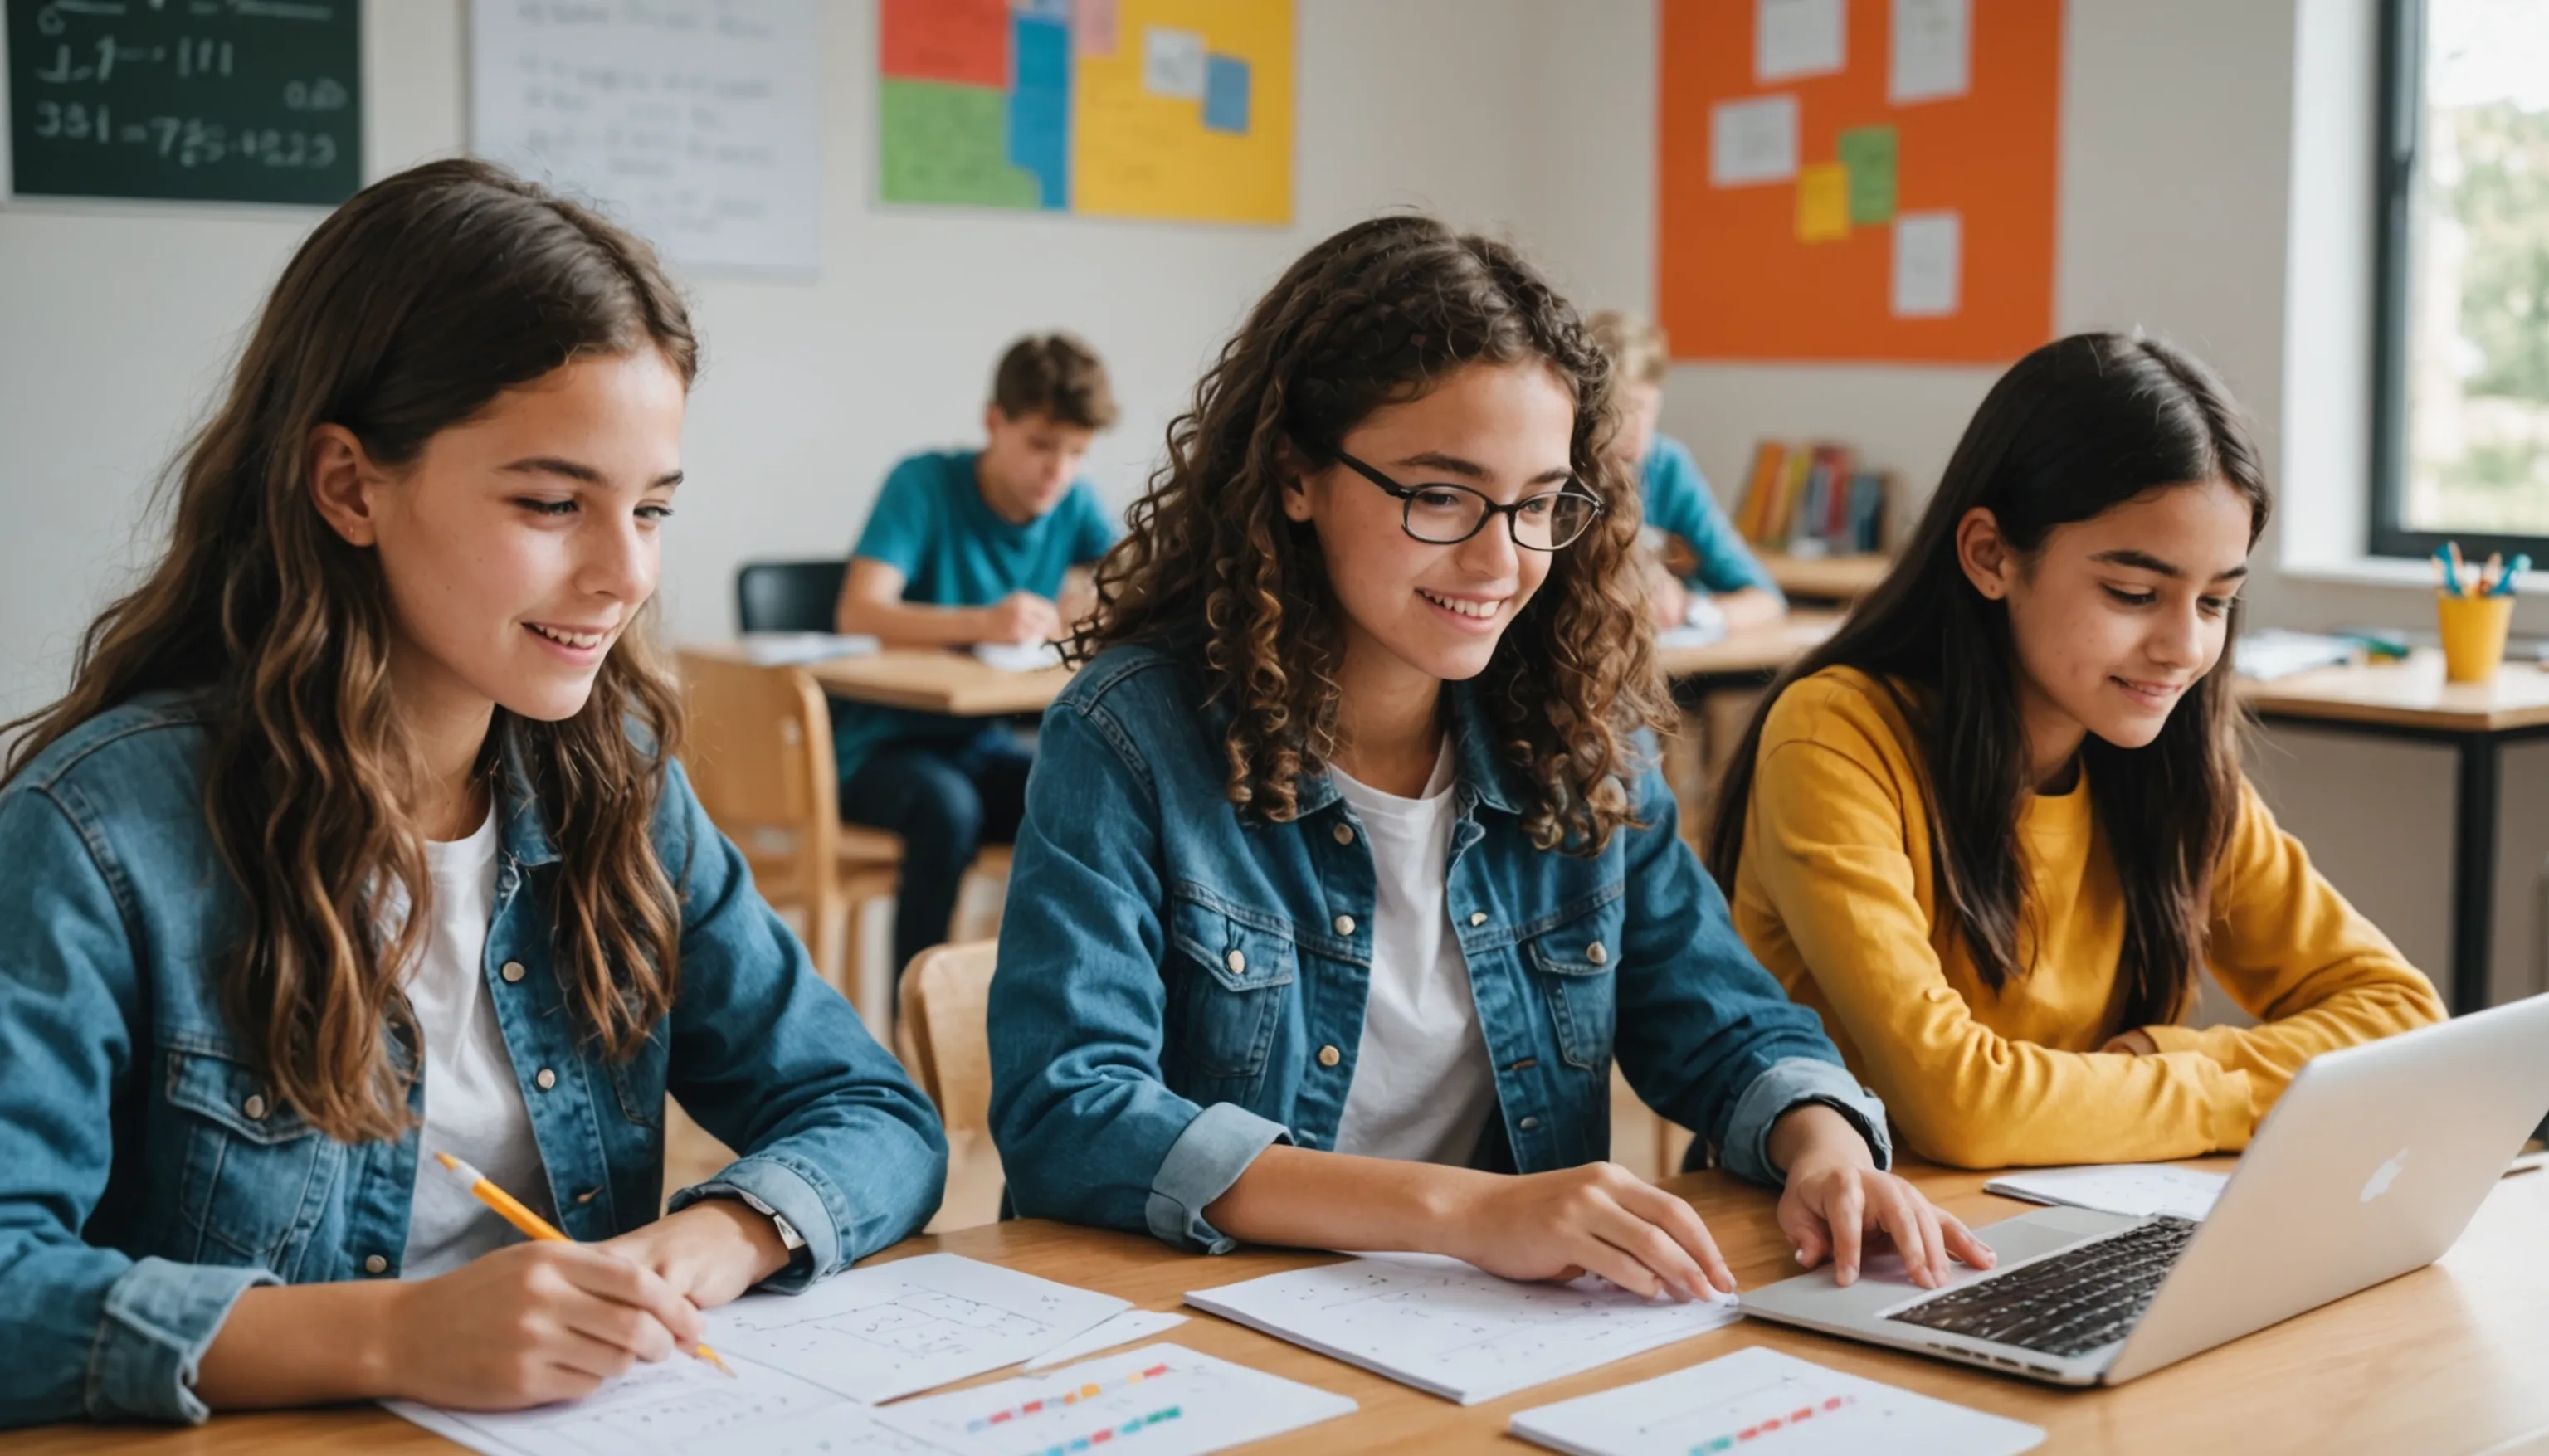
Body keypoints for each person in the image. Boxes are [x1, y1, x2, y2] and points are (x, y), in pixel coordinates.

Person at [0, 159, 946, 1429]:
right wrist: (392, 1333)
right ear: (350, 485)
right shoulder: (106, 832)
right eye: (554, 502)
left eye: (652, 509)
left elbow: (873, 1111)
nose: (623, 573)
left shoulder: (620, 793)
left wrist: (718, 1235)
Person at [987, 217, 1992, 1303]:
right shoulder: (1131, 734)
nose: (1504, 557)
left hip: (1481, 1333)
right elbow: (1072, 1112)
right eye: (1442, 493)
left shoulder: (1581, 739)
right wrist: (1464, 1209)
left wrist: (1827, 1145)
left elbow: (1724, 1016)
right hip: (1200, 1326)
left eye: (1540, 501)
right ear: (1295, 473)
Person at [1706, 331, 2446, 1170]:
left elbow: (2401, 1017)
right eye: (2134, 593)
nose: (2182, 648)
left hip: (2082, 1212)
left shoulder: (2171, 764)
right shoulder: (1838, 737)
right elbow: (1964, 1108)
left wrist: (2160, 1067)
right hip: (1851, 1241)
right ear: (1990, 555)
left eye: (2215, 603)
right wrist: (2212, 1082)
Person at [831, 334, 1120, 976]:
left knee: (1080, 797)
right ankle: (916, 1024)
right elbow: (859, 610)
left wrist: (1101, 602)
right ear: (996, 422)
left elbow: (1135, 575)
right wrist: (986, 621)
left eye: (1077, 453)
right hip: (879, 752)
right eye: (1041, 445)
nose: (1059, 470)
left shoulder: (1073, 501)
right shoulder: (924, 483)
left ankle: (1046, 998)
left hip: (979, 743)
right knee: (947, 810)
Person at [1584, 310, 1784, 635]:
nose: (1631, 427)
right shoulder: (1559, 468)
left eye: (1642, 407)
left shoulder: (1666, 466)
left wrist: (1692, 611)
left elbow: (1764, 597)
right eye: (1615, 410)